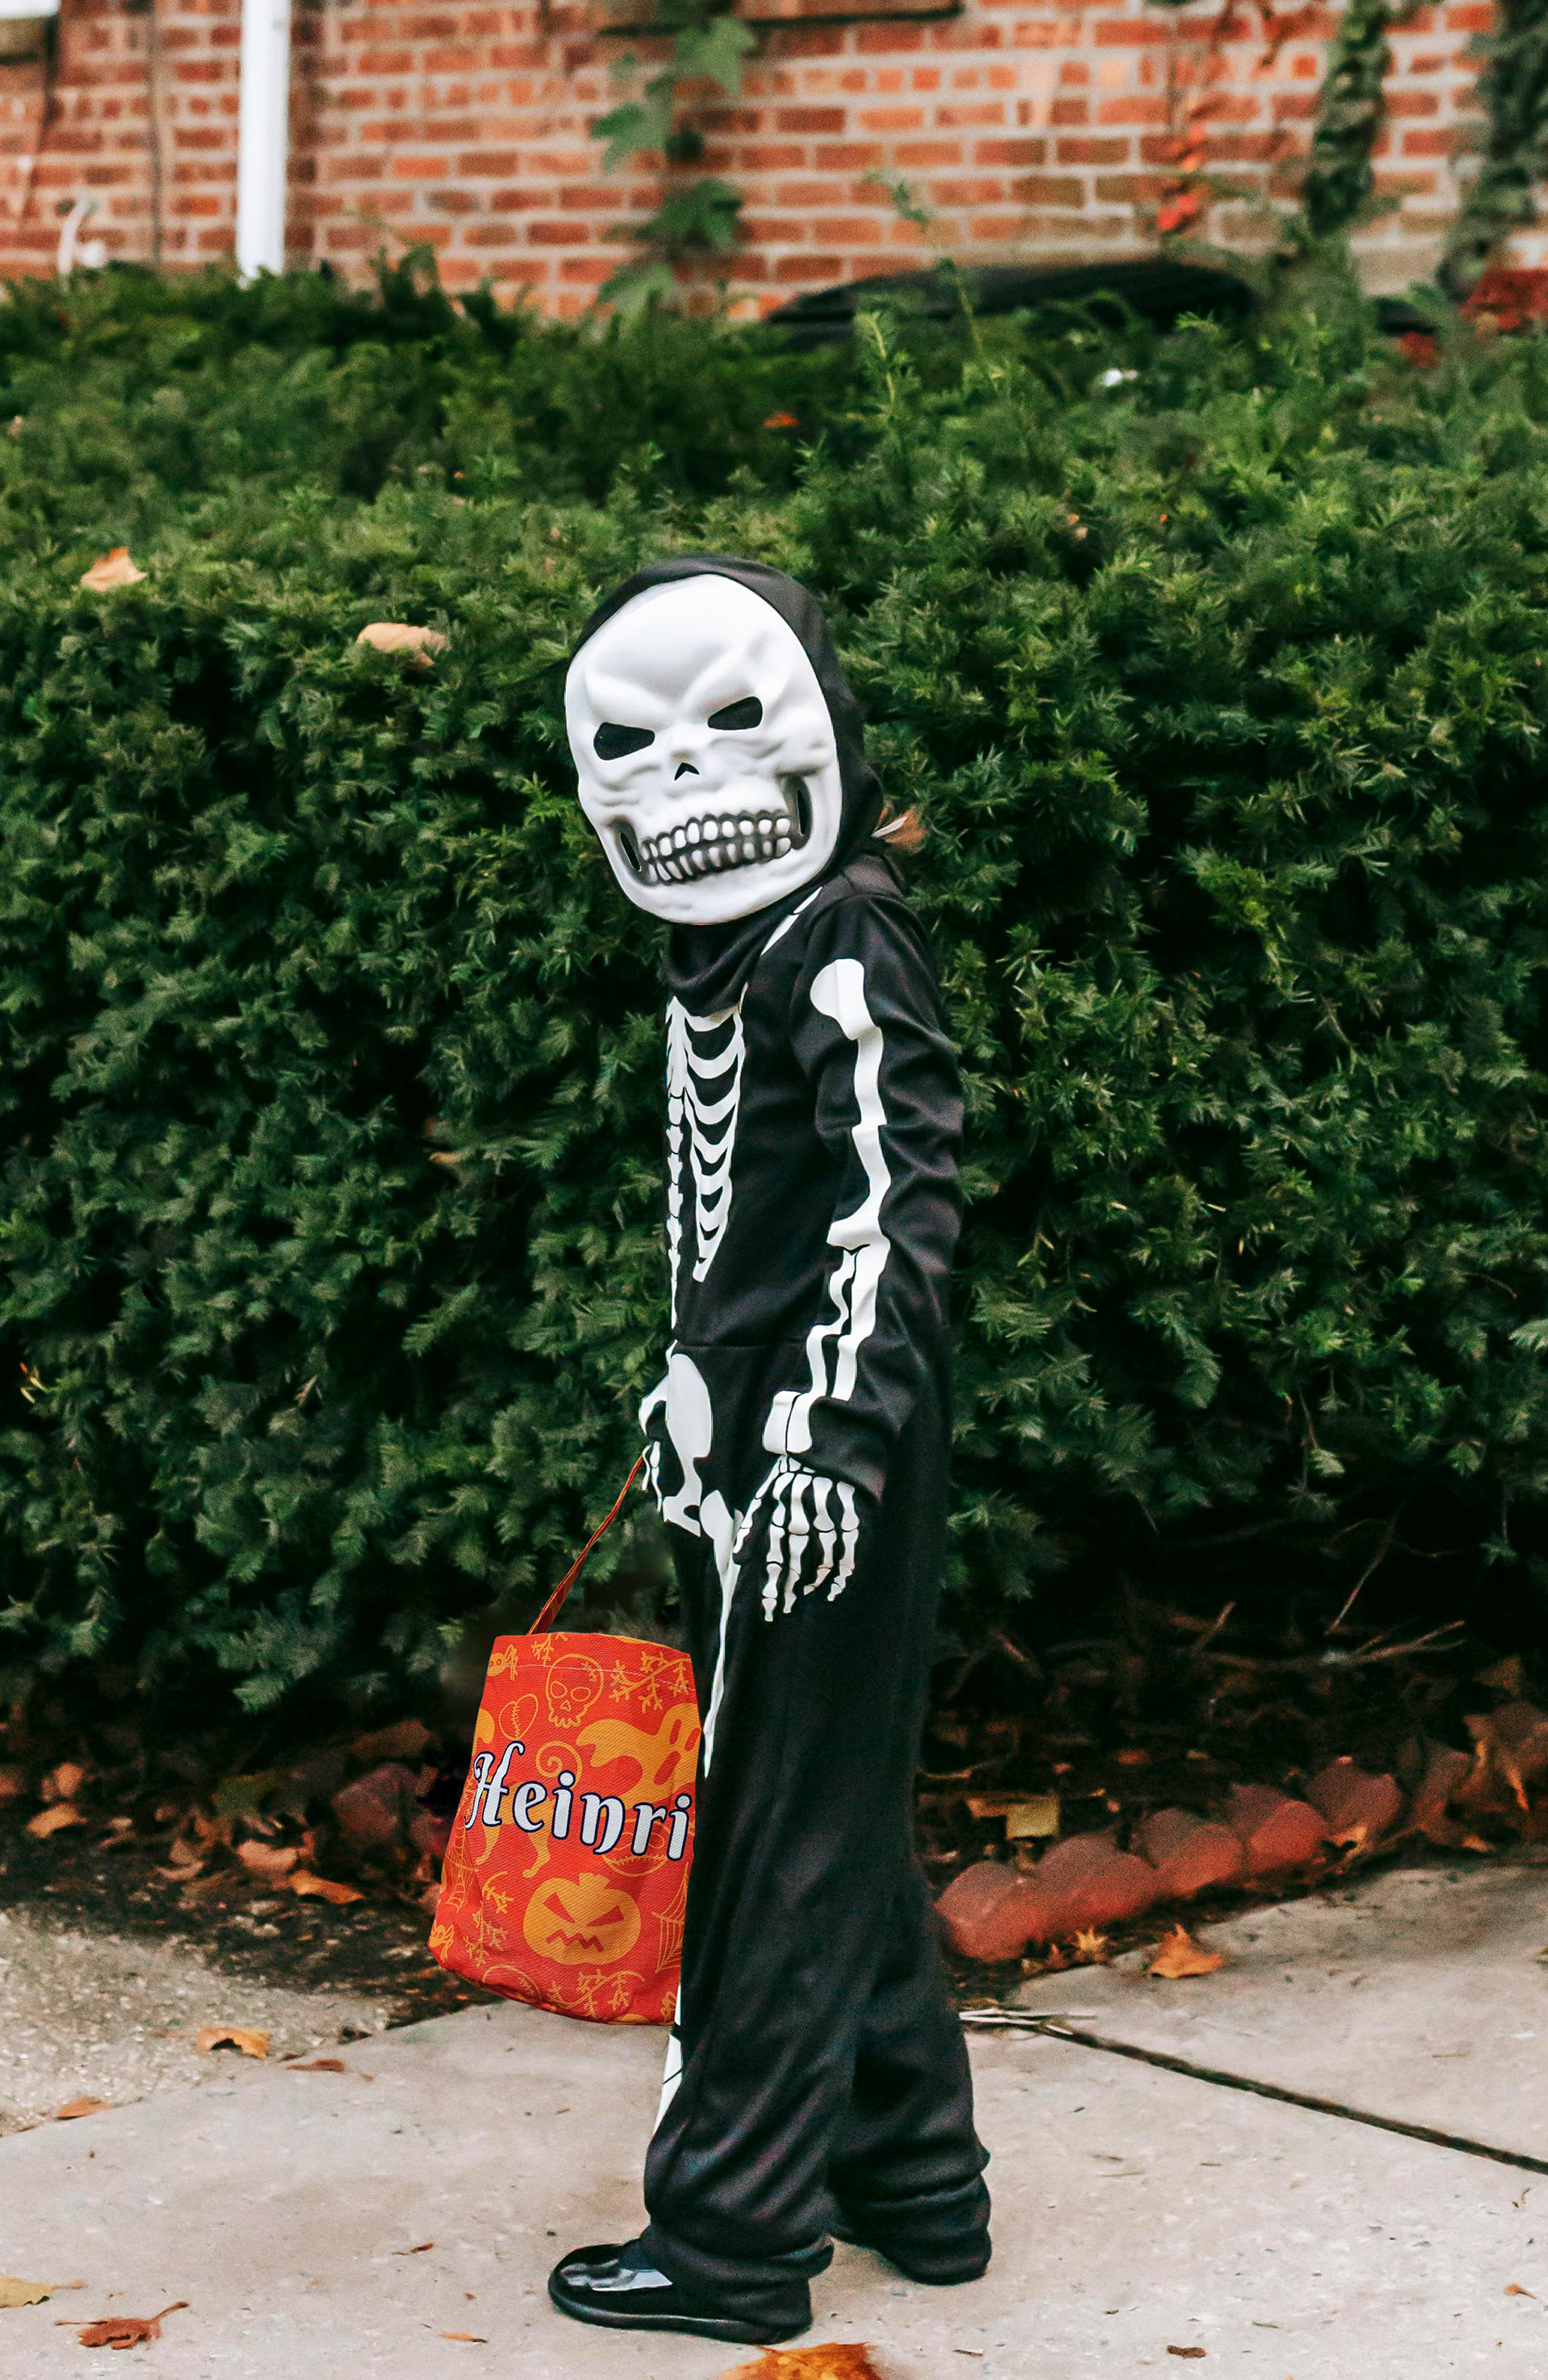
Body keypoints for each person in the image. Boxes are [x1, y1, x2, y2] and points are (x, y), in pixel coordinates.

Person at [547, 556, 991, 2347]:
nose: (683, 781)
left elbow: (901, 1200)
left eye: (729, 723)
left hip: (824, 1460)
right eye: (633, 748)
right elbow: (741, 1220)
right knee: (824, 1808)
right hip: (749, 1443)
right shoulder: (730, 947)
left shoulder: (845, 937)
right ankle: (919, 2182)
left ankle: (730, 2240)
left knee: (775, 1835)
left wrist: (829, 1442)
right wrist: (693, 1398)